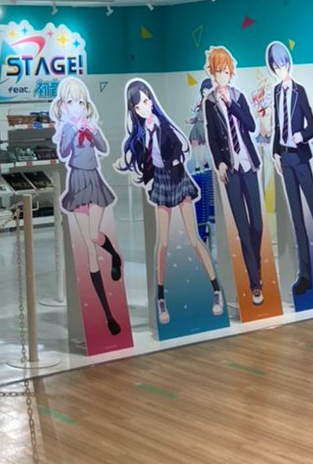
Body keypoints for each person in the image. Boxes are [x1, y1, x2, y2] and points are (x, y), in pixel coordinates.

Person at [116, 78, 224, 323]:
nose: (146, 106)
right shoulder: (140, 135)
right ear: (134, 109)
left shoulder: (162, 125)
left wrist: (172, 160)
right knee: (162, 243)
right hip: (161, 183)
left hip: (177, 177)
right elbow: (142, 161)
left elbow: (178, 147)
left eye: (147, 100)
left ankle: (216, 290)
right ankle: (161, 298)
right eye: (140, 104)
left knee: (194, 238)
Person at [50, 76, 125, 336]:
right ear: (63, 105)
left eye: (81, 102)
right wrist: (69, 130)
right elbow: (64, 151)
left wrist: (91, 130)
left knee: (94, 235)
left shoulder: (91, 128)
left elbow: (103, 148)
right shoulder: (66, 129)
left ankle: (114, 255)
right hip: (77, 182)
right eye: (71, 101)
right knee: (89, 248)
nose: (77, 106)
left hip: (94, 179)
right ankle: (108, 315)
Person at [267, 41, 313, 296]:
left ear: (288, 64)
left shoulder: (299, 91)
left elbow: (311, 126)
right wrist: (275, 152)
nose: (280, 70)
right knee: (296, 219)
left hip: (300, 158)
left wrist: (300, 135)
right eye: (275, 66)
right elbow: (277, 126)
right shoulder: (276, 92)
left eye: (282, 64)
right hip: (285, 158)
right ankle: (305, 276)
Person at [203, 47, 265, 306]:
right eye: (218, 72)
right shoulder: (209, 102)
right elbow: (213, 138)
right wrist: (219, 163)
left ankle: (256, 267)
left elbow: (250, 126)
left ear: (231, 72)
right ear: (212, 73)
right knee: (242, 225)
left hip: (248, 164)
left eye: (226, 71)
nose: (223, 76)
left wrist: (232, 106)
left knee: (257, 224)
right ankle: (255, 283)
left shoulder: (238, 97)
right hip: (230, 169)